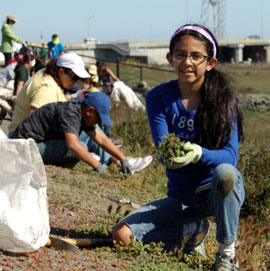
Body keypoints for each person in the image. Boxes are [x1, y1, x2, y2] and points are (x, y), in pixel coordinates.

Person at [112, 24, 245, 271]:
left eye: (196, 56)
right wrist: (170, 157)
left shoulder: (224, 101)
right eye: (180, 55)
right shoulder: (158, 98)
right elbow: (164, 148)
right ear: (169, 58)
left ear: (210, 62)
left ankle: (226, 255)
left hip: (216, 192)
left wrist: (198, 153)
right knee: (121, 236)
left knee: (225, 173)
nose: (187, 62)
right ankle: (191, 232)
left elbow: (231, 156)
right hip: (182, 197)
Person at [10, 91, 151, 175]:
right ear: (89, 111)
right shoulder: (71, 113)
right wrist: (97, 166)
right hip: (23, 148)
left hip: (38, 142)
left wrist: (122, 158)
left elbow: (101, 139)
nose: (99, 122)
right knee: (80, 146)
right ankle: (102, 161)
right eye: (98, 118)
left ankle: (122, 164)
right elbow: (73, 146)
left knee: (86, 138)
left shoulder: (81, 112)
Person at [8, 52, 89, 135]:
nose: (75, 82)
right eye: (74, 78)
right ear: (61, 71)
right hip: (21, 138)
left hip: (22, 132)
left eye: (78, 78)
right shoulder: (47, 88)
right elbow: (32, 125)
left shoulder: (48, 75)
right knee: (82, 141)